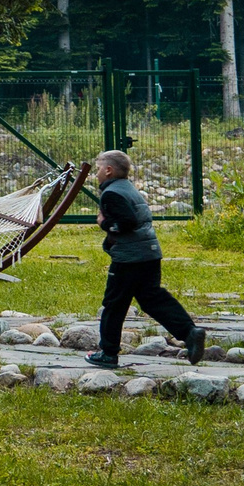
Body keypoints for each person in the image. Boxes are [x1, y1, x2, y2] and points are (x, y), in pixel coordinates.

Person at [87, 149, 208, 369]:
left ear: (108, 170)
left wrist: (103, 223)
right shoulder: (130, 189)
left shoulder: (112, 193)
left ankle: (108, 353)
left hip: (129, 258)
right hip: (150, 253)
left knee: (114, 304)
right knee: (153, 299)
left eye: (97, 170)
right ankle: (190, 332)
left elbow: (127, 222)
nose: (96, 175)